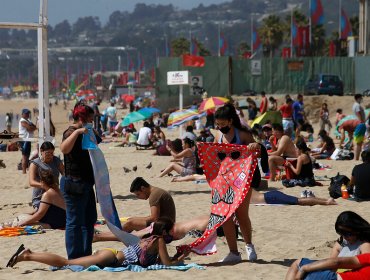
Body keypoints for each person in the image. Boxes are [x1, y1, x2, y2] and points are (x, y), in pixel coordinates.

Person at [6, 218, 190, 269]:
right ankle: (28, 255)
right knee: (65, 263)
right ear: (164, 231)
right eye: (171, 231)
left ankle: (28, 255)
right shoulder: (159, 242)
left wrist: (176, 256)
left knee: (67, 263)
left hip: (111, 255)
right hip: (110, 257)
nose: (172, 234)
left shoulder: (149, 238)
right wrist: (182, 257)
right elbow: (167, 264)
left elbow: (157, 261)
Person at [213, 103, 268, 262]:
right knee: (225, 216)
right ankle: (233, 252)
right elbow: (216, 156)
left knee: (241, 215)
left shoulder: (242, 134)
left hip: (242, 180)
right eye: (218, 124)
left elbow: (257, 153)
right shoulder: (218, 135)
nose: (220, 126)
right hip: (225, 179)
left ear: (230, 121)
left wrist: (254, 146)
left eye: (223, 124)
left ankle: (249, 245)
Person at [60, 101, 101, 259]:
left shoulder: (87, 131)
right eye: (90, 119)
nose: (92, 121)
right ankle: (74, 256)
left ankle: (85, 252)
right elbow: (63, 149)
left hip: (86, 183)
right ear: (82, 118)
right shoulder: (70, 132)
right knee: (74, 221)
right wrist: (77, 133)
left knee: (89, 219)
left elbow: (97, 141)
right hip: (73, 183)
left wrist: (90, 131)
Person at [286, 211, 370, 280]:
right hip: (334, 272)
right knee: (297, 263)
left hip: (344, 276)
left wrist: (306, 269)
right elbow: (332, 263)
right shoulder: (342, 241)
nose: (345, 236)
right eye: (341, 233)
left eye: (348, 233)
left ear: (357, 230)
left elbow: (363, 271)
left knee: (303, 269)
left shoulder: (365, 244)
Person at [94, 177, 176, 242]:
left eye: (138, 194)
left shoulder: (154, 196)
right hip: (166, 223)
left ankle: (101, 236)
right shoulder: (157, 191)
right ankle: (105, 235)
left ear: (143, 188)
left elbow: (154, 218)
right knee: (131, 222)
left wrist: (134, 219)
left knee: (131, 223)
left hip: (165, 227)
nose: (138, 197)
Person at [29, 141, 64, 209]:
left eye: (52, 153)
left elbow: (65, 174)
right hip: (40, 197)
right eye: (48, 153)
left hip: (55, 193)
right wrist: (43, 186)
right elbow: (31, 182)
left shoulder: (56, 160)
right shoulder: (35, 163)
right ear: (41, 151)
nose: (50, 156)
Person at [18, 108, 37, 174]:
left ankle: (24, 170)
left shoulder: (28, 120)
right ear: (22, 114)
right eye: (26, 113)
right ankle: (24, 171)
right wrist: (31, 127)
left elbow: (34, 127)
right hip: (24, 140)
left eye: (28, 113)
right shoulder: (22, 120)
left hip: (27, 139)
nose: (27, 114)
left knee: (27, 156)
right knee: (24, 156)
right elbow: (29, 128)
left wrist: (31, 127)